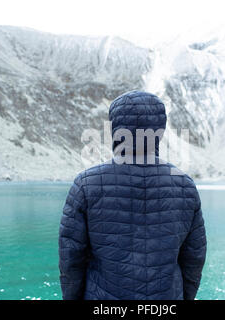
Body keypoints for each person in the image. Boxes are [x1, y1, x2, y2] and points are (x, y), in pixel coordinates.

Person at [59, 90, 207, 300]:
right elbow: (194, 258)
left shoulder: (85, 184)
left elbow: (71, 257)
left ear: (115, 128)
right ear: (160, 130)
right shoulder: (185, 185)